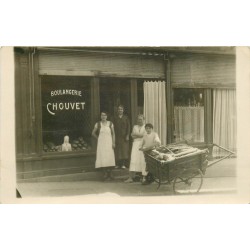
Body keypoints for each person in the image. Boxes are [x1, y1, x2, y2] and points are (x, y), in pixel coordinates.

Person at [92, 111, 116, 181]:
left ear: (107, 116)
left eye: (105, 115)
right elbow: (93, 133)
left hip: (109, 142)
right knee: (102, 156)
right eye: (102, 115)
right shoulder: (98, 124)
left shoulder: (110, 123)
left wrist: (113, 142)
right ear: (100, 116)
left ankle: (110, 173)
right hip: (101, 143)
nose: (103, 117)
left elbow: (113, 134)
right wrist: (98, 138)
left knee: (109, 156)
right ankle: (105, 173)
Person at [124, 114, 146, 183]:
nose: (139, 121)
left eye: (141, 119)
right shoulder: (135, 127)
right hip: (135, 144)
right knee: (133, 159)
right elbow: (132, 136)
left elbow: (145, 136)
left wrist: (137, 135)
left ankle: (144, 177)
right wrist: (140, 135)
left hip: (142, 145)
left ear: (143, 120)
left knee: (142, 160)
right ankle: (131, 177)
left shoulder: (146, 127)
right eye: (138, 119)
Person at [113, 105, 130, 169]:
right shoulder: (114, 117)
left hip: (124, 137)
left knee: (124, 151)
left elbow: (128, 127)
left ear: (123, 110)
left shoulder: (126, 118)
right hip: (117, 136)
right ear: (117, 111)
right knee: (117, 151)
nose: (120, 110)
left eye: (121, 109)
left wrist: (127, 135)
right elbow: (112, 127)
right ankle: (117, 164)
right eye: (119, 109)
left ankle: (123, 164)